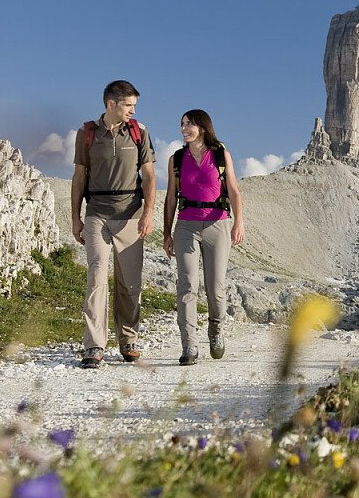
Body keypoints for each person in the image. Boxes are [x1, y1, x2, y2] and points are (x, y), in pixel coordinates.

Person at [72, 80, 156, 369]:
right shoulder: (86, 134)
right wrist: (75, 218)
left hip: (131, 215)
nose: (133, 110)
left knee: (129, 285)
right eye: (128, 105)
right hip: (97, 215)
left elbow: (149, 177)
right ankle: (94, 346)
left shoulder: (139, 132)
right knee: (96, 279)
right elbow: (79, 177)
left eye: (134, 105)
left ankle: (128, 339)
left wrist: (148, 214)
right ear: (111, 104)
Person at [162, 109, 245, 365]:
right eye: (182, 124)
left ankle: (216, 331)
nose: (184, 128)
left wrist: (238, 223)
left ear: (202, 127)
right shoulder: (176, 159)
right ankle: (189, 346)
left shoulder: (220, 154)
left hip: (217, 224)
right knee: (187, 285)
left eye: (189, 124)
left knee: (216, 288)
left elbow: (233, 189)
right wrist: (167, 232)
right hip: (186, 225)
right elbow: (171, 198)